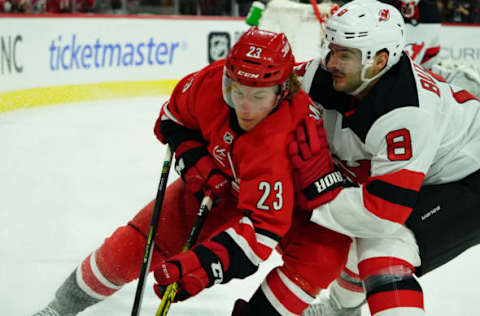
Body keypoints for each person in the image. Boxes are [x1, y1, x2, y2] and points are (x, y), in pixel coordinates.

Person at [32, 27, 352, 316]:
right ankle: (57, 310)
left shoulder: (280, 136)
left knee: (321, 258)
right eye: (237, 92)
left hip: (294, 206)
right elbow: (171, 119)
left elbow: (259, 235)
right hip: (222, 184)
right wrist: (198, 166)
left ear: (283, 91)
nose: (246, 107)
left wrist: (199, 267)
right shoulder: (209, 84)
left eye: (259, 97)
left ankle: (332, 310)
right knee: (126, 250)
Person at [254, 0, 480, 316]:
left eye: (344, 54)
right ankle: (341, 310)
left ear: (380, 61)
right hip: (428, 169)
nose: (330, 61)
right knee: (354, 231)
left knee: (386, 249)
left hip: (470, 175)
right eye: (330, 48)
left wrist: (320, 190)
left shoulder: (406, 113)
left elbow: (383, 213)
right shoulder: (322, 75)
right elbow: (259, 86)